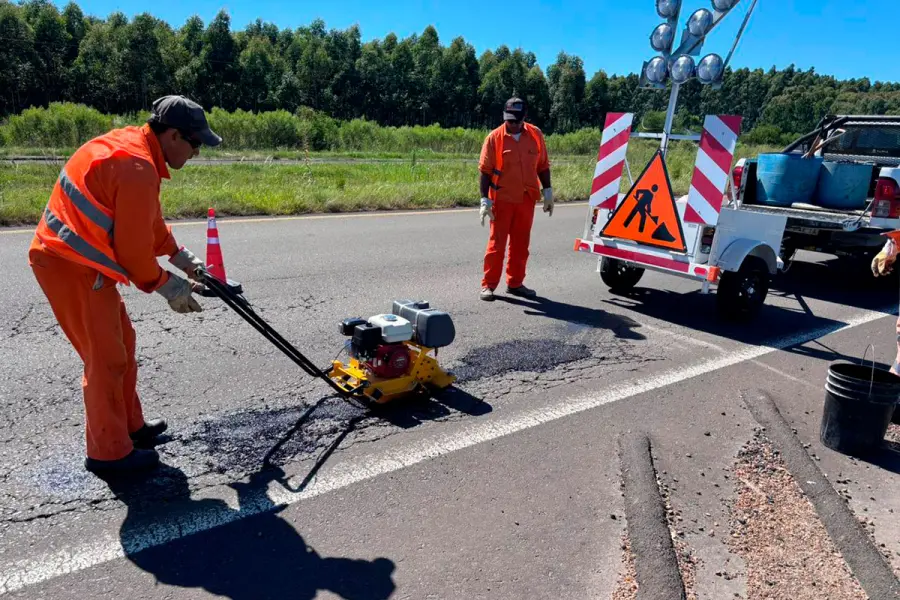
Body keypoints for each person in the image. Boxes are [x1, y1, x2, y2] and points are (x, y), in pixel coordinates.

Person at [27, 95, 222, 474]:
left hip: (81, 262)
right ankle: (109, 454)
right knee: (106, 359)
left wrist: (184, 260)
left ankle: (131, 429)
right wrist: (172, 288)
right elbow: (134, 257)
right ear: (172, 135)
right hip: (69, 264)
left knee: (123, 344)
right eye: (195, 142)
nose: (198, 152)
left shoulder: (136, 151)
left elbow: (145, 224)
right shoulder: (136, 165)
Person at [478, 97, 553, 301]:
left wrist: (548, 191)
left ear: (523, 118)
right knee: (497, 244)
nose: (512, 124)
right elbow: (485, 171)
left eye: (516, 121)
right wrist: (485, 200)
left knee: (521, 245)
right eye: (509, 120)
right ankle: (488, 285)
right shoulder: (494, 138)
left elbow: (543, 165)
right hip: (501, 199)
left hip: (526, 199)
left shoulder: (535, 135)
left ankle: (515, 283)